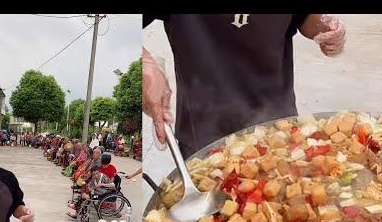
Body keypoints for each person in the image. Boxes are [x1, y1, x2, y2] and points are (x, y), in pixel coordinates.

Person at [143, 14, 347, 157]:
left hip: (278, 126)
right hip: (204, 132)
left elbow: (304, 19)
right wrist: (146, 64)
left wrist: (325, 27)